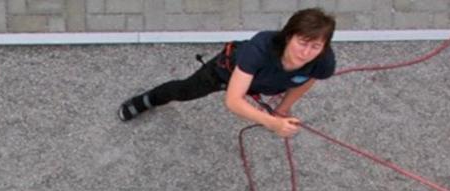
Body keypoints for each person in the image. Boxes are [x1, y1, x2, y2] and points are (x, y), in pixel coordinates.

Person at [118, 7, 336, 139]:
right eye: (302, 43)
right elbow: (233, 100)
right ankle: (147, 100)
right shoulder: (260, 48)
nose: (306, 53)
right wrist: (272, 123)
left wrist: (283, 108)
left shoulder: (323, 60)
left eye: (315, 47)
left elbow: (308, 80)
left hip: (262, 84)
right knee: (184, 90)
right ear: (289, 36)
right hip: (224, 73)